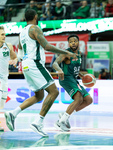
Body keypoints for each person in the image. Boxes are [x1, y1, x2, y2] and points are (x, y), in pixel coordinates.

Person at [4, 8, 77, 137]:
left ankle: (13, 113)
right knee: (53, 91)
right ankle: (38, 122)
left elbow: (20, 49)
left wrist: (20, 60)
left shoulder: (22, 32)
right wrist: (66, 52)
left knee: (39, 96)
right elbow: (47, 46)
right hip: (34, 63)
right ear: (36, 17)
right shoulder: (35, 29)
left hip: (26, 65)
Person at [53, 34, 93, 131]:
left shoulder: (79, 54)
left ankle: (65, 114)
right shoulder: (65, 53)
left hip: (74, 79)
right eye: (71, 42)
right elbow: (55, 64)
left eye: (75, 41)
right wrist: (59, 70)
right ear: (69, 43)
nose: (73, 43)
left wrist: (80, 74)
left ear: (78, 42)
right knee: (78, 98)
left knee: (88, 100)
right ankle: (60, 122)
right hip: (65, 78)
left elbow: (74, 68)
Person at [0, 26, 18, 132]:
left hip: (4, 79)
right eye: (2, 34)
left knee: (1, 104)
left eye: (4, 34)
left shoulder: (8, 46)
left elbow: (14, 57)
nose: (4, 36)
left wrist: (15, 60)